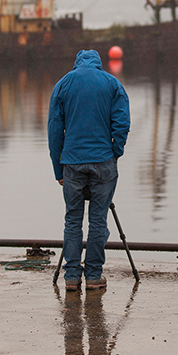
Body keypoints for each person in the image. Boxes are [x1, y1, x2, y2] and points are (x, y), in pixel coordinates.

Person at [48, 49, 130, 292]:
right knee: (98, 219)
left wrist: (58, 170)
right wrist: (116, 152)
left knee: (72, 220)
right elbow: (122, 123)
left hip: (71, 163)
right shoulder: (112, 83)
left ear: (76, 64)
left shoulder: (63, 84)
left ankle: (72, 277)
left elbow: (54, 131)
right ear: (98, 64)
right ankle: (94, 276)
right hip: (103, 162)